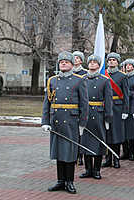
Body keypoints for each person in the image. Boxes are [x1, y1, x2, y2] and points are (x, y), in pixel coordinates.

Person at [41, 51, 89, 194]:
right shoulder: (52, 80)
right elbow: (47, 103)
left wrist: (82, 123)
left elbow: (84, 104)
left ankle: (69, 181)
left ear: (72, 64)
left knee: (69, 153)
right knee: (58, 152)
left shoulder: (79, 80)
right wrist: (45, 121)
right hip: (56, 122)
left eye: (66, 62)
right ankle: (60, 181)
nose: (63, 63)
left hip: (71, 122)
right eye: (61, 62)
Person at [80, 55, 113, 180]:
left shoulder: (104, 80)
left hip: (98, 114)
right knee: (85, 142)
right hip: (85, 114)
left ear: (99, 65)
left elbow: (108, 100)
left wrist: (108, 118)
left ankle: (97, 170)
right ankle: (88, 169)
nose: (92, 64)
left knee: (99, 142)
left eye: (95, 62)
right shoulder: (82, 79)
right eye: (90, 62)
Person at [102, 52, 129, 169]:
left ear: (118, 62)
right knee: (107, 135)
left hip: (117, 107)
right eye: (110, 60)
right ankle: (108, 159)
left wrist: (125, 110)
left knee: (116, 135)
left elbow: (126, 95)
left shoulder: (122, 76)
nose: (111, 61)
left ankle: (116, 159)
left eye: (114, 60)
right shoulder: (103, 74)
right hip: (105, 107)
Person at [120, 59, 134, 161]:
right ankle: (125, 152)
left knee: (131, 131)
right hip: (123, 105)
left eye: (130, 65)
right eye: (127, 65)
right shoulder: (123, 77)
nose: (128, 67)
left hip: (131, 106)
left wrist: (128, 94)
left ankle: (131, 152)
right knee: (123, 131)